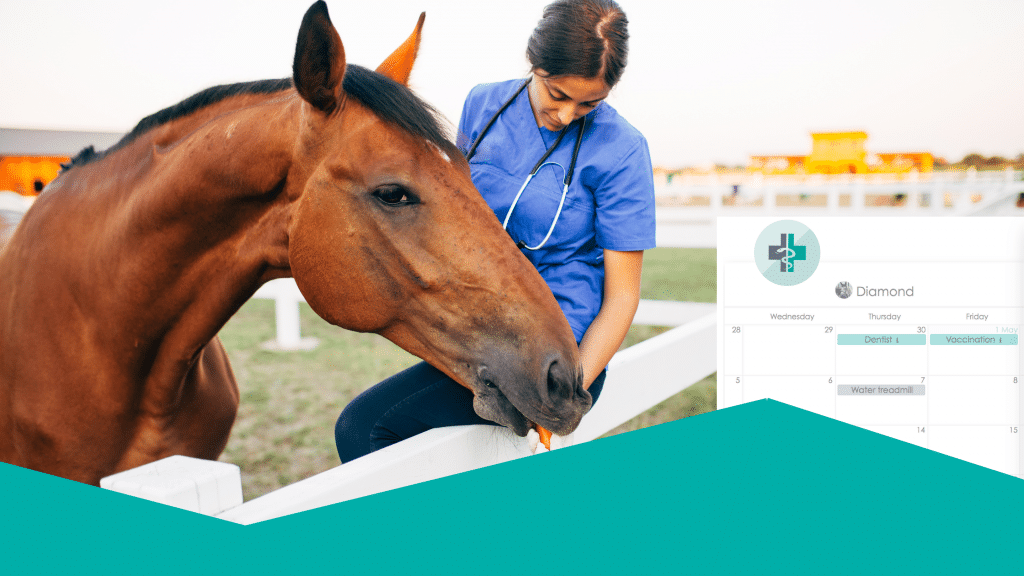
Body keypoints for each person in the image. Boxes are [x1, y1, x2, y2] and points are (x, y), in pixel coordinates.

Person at [334, 0, 656, 462]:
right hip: (481, 331)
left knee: (364, 427)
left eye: (590, 103)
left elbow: (623, 297)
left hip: (557, 349)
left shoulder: (623, 149)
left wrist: (565, 391)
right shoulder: (483, 103)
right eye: (558, 94)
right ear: (534, 65)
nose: (567, 115)